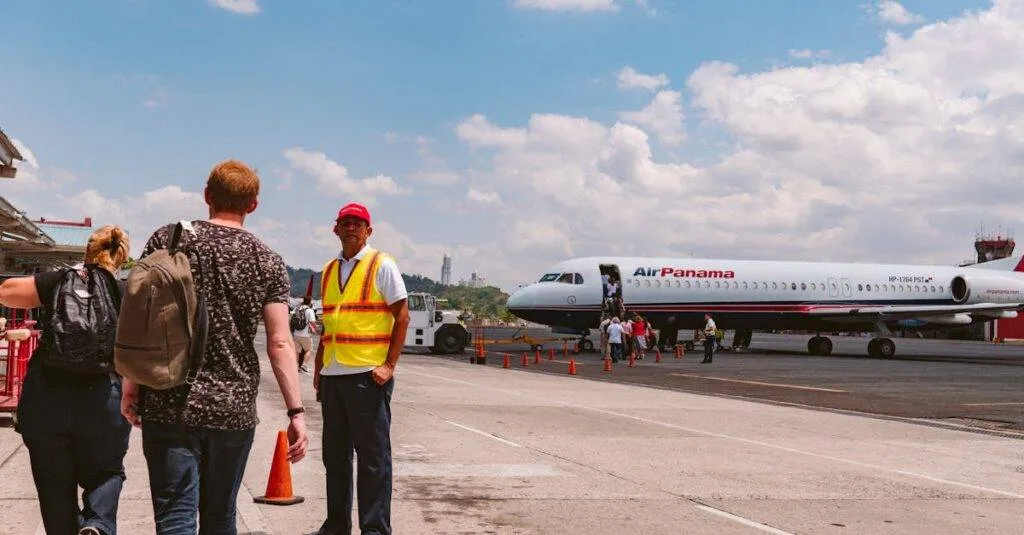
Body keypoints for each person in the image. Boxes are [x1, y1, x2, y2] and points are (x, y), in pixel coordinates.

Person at [120, 159, 308, 534]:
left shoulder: (168, 240)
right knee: (221, 516)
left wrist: (131, 386)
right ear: (253, 204)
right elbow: (280, 341)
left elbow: (141, 317)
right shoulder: (267, 260)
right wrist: (296, 412)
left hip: (169, 398)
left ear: (207, 196)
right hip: (233, 408)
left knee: (175, 517)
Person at [1, 226, 132, 535]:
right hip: (102, 398)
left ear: (87, 251)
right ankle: (97, 525)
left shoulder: (60, 280)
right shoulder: (124, 291)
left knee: (53, 484)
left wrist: (55, 280)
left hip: (47, 397)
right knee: (106, 473)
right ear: (123, 258)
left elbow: (7, 292)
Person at [313, 202, 410, 535]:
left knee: (372, 459)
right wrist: (318, 369)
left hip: (367, 377)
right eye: (346, 222)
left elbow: (403, 316)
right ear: (336, 229)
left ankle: (374, 529)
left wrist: (389, 365)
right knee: (334, 457)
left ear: (368, 231)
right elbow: (329, 324)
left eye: (358, 223)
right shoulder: (328, 270)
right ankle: (336, 526)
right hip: (333, 375)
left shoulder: (381, 265)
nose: (352, 227)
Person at [292, 296, 318, 373]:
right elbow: (312, 322)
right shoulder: (309, 310)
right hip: (305, 334)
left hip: (296, 333)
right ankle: (304, 365)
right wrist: (314, 329)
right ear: (310, 302)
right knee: (308, 350)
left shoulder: (297, 309)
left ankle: (295, 366)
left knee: (297, 351)